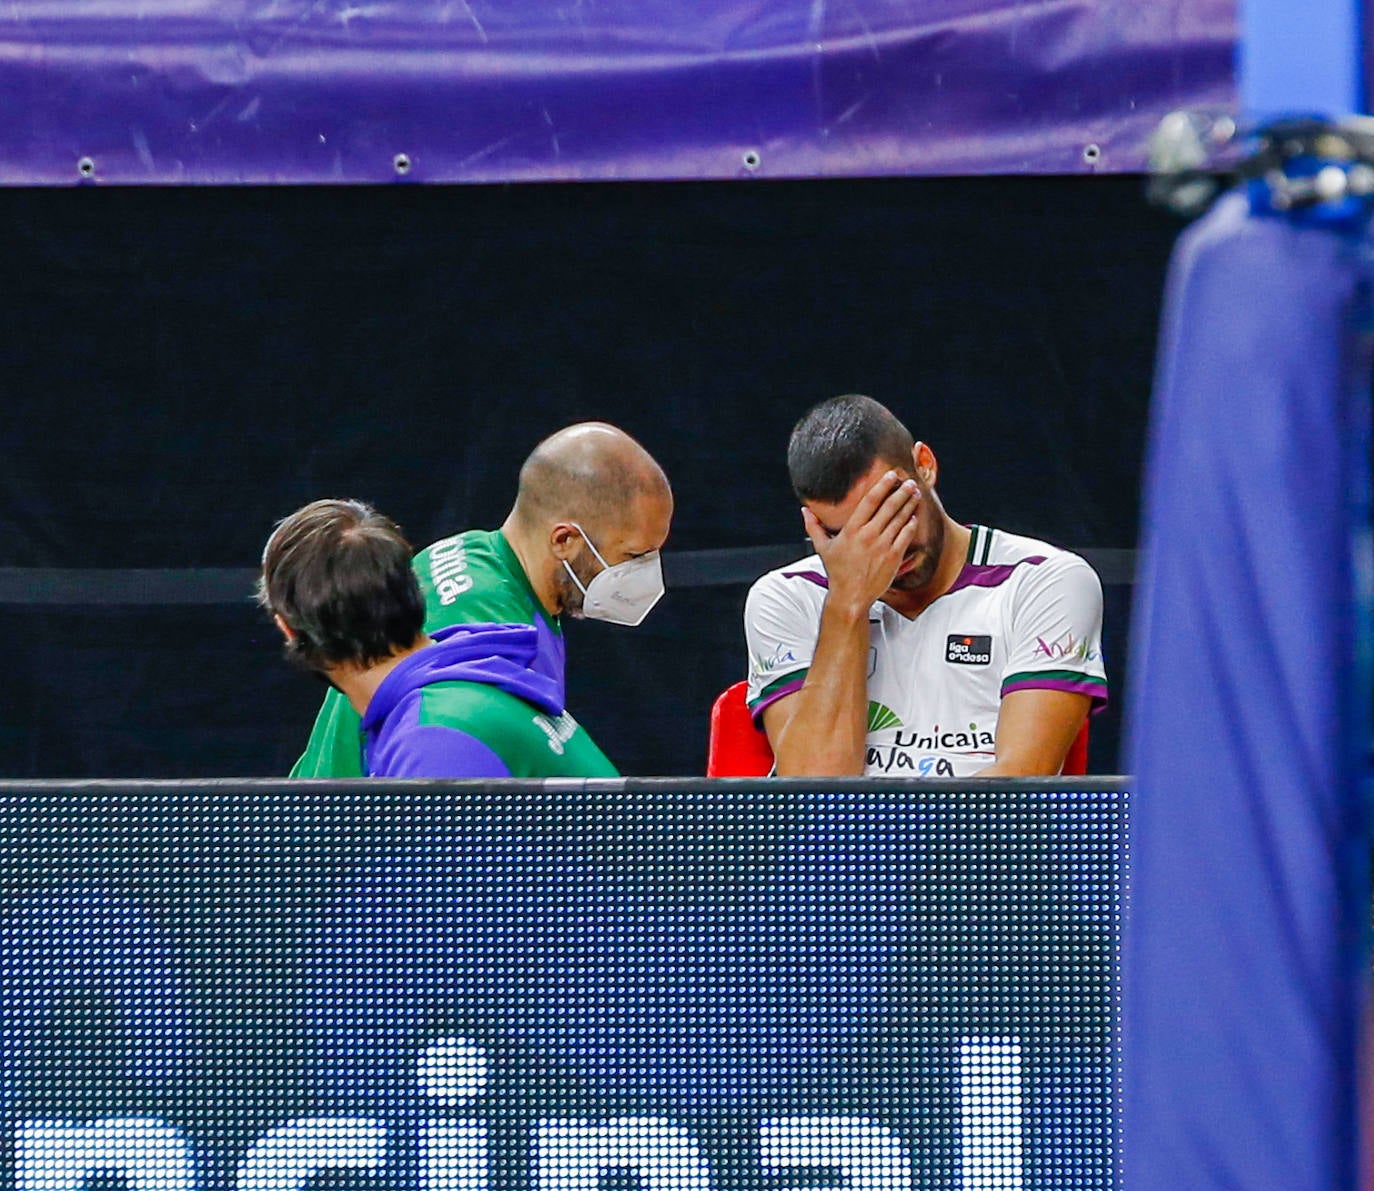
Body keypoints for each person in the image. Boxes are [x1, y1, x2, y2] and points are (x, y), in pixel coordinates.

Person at [279, 421, 673, 777]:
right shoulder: (498, 635)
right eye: (634, 555)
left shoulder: (468, 556)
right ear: (564, 540)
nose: (647, 573)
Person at [744, 394, 1106, 777]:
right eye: (846, 535)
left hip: (977, 837)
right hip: (847, 838)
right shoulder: (784, 597)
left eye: (893, 512)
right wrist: (848, 603)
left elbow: (1016, 790)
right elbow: (813, 798)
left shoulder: (1045, 580)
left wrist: (890, 834)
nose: (885, 546)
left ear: (924, 465)